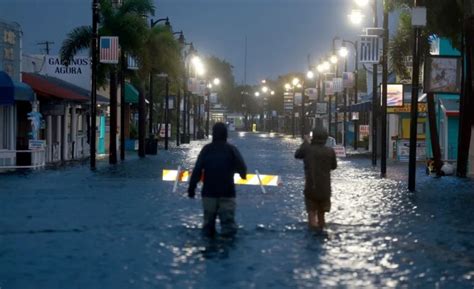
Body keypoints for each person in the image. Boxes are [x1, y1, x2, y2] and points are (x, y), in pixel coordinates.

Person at [188, 122, 247, 237]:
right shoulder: (232, 150)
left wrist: (192, 188)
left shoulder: (206, 150)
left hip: (209, 194)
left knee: (208, 228)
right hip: (227, 194)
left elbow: (197, 170)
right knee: (228, 227)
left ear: (213, 134)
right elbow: (242, 168)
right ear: (226, 135)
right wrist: (242, 175)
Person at [294, 128, 337, 229]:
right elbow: (334, 166)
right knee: (322, 216)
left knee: (312, 214)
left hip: (311, 187)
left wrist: (305, 142)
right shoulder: (330, 151)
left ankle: (313, 230)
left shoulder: (308, 149)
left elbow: (297, 155)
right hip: (325, 188)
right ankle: (321, 231)